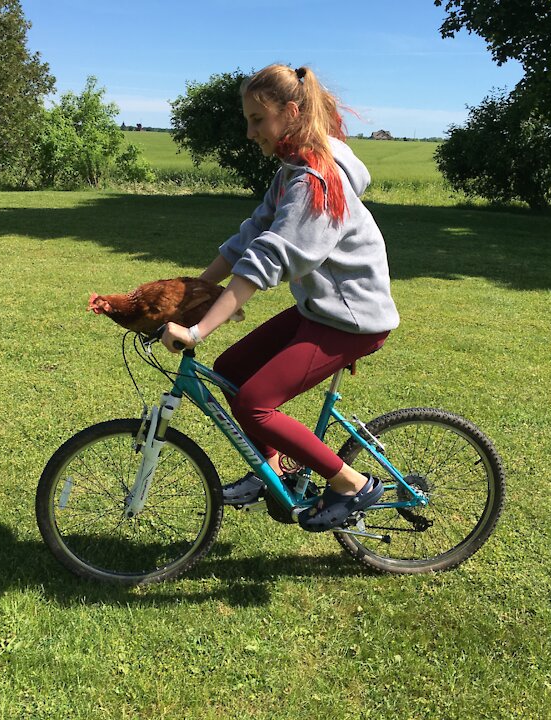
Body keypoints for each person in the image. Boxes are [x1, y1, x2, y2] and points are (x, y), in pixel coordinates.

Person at [161, 64, 400, 532]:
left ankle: (352, 483)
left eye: (257, 119)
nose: (250, 133)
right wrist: (193, 292)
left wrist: (197, 329)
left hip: (353, 319)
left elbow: (271, 256)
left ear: (291, 113)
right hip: (322, 309)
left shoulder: (317, 181)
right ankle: (272, 470)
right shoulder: (292, 170)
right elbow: (250, 234)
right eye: (247, 120)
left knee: (254, 403)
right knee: (230, 372)